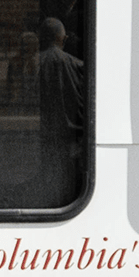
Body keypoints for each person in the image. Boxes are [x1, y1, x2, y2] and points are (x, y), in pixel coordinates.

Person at [35, 16, 85, 203]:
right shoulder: (76, 64)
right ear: (62, 39)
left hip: (45, 132)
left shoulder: (33, 63)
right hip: (71, 135)